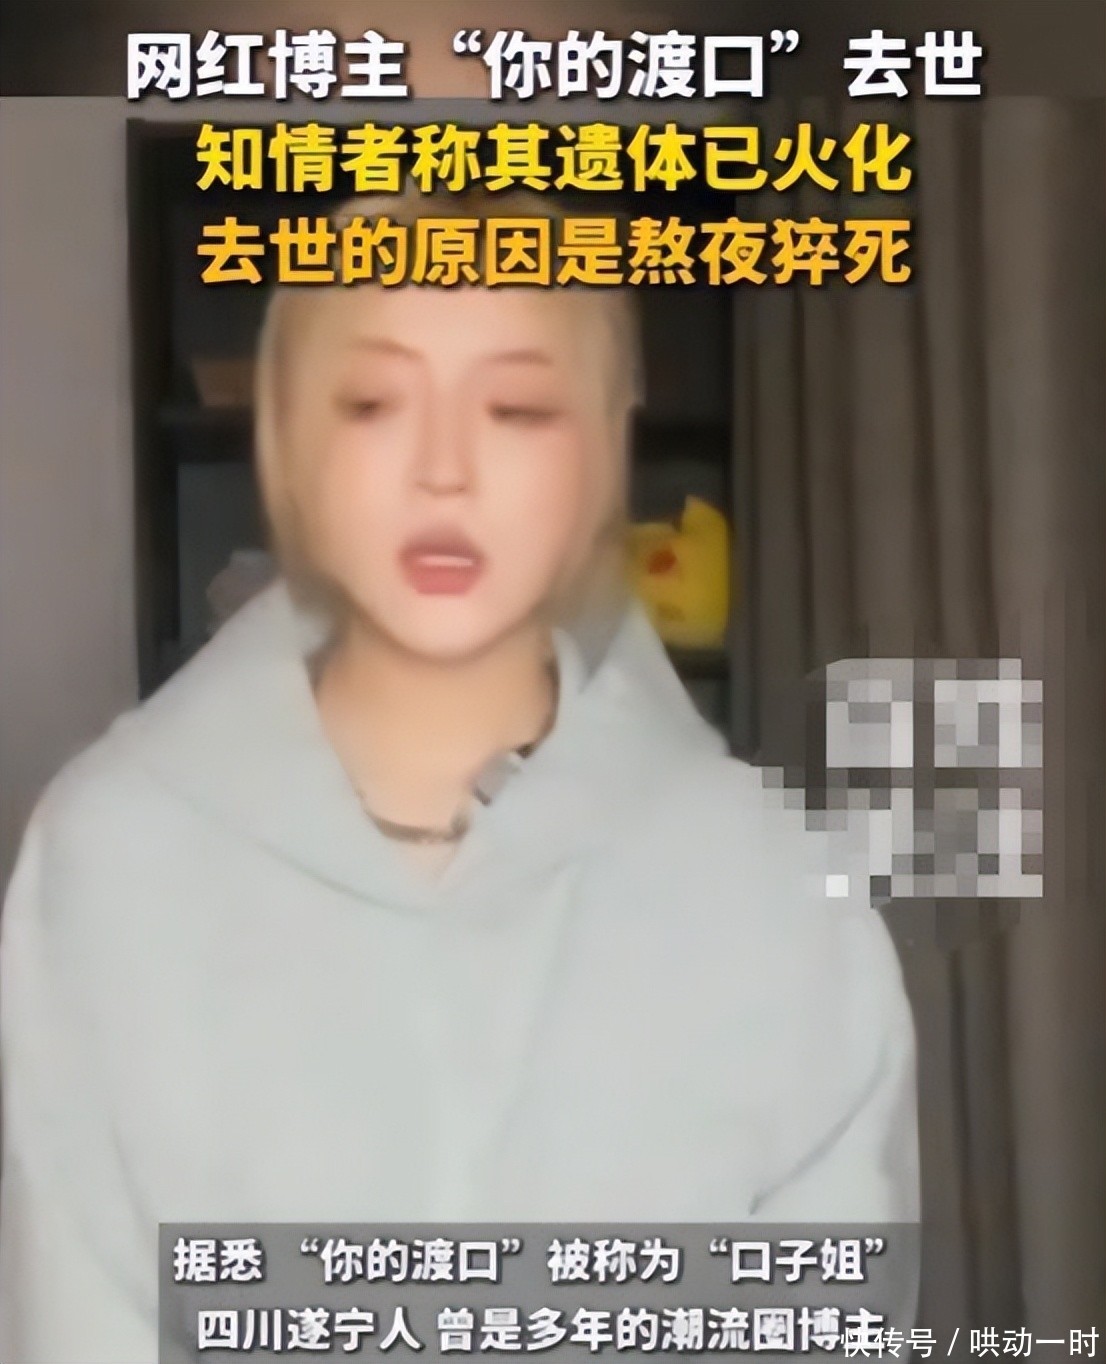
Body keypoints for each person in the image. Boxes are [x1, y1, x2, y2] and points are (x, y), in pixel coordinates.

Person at [0, 191, 920, 1363]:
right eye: (374, 403)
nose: (443, 470)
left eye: (516, 408)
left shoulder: (776, 890)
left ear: (603, 444)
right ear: (287, 436)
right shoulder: (111, 857)